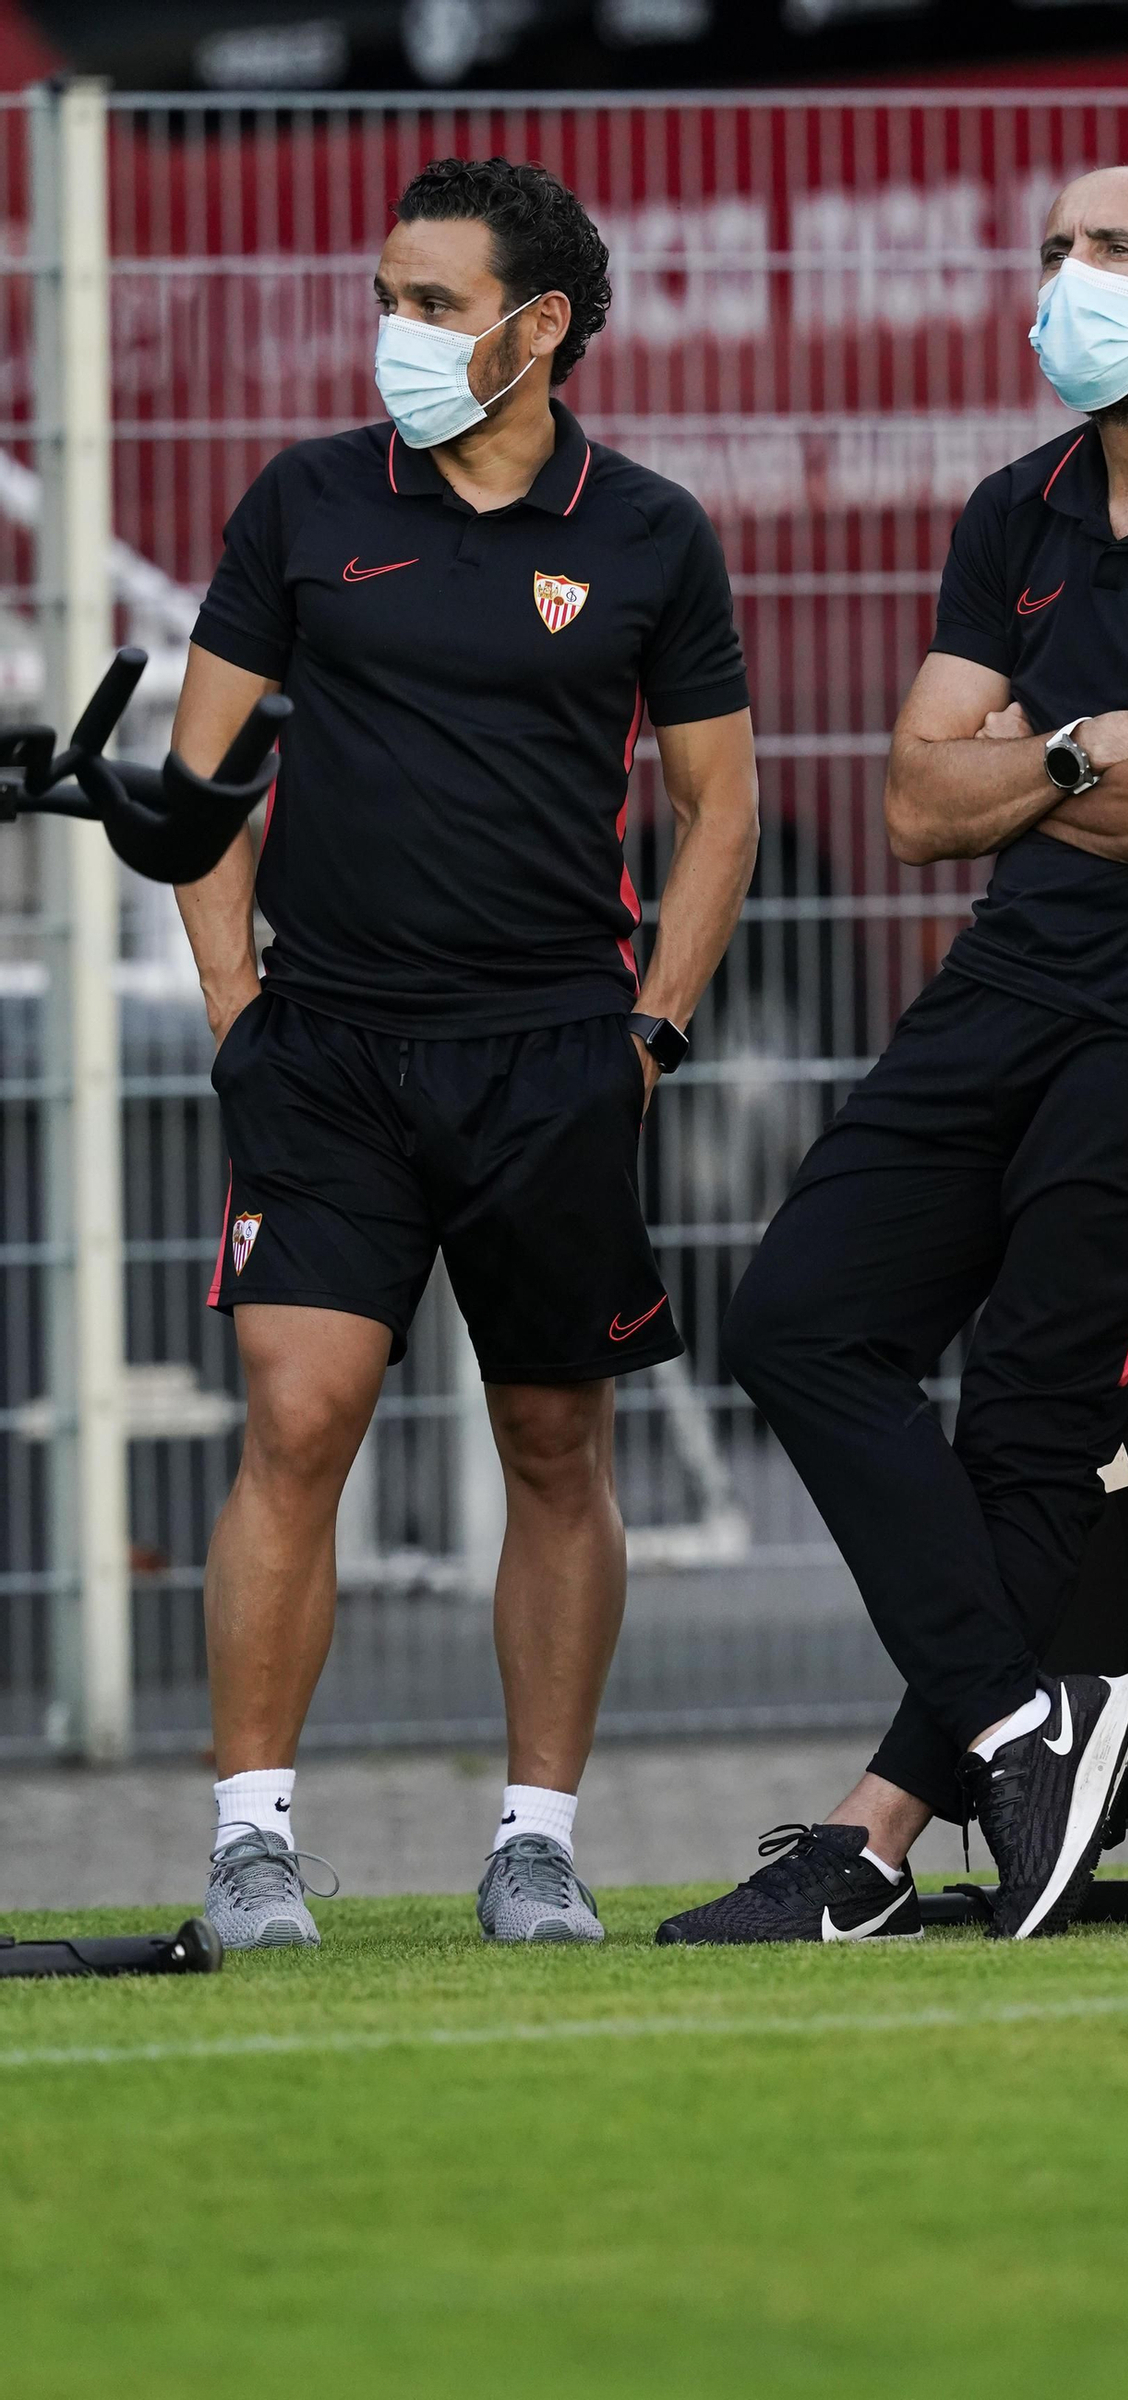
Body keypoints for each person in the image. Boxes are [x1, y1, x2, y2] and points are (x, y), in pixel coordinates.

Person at [658, 165, 1128, 1947]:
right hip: (1008, 981)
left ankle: (873, 1840)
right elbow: (919, 800)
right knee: (797, 1323)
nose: (1067, 275)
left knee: (1036, 1409)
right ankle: (1022, 1722)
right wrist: (1081, 748)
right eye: (1054, 248)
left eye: (1113, 250)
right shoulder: (1018, 511)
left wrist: (1053, 767)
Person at [175, 157, 758, 1950]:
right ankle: (253, 1842)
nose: (396, 334)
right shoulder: (303, 503)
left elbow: (720, 808)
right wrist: (238, 1017)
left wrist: (650, 1034)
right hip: (328, 1057)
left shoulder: (650, 529)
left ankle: (536, 1843)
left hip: (553, 1063)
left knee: (555, 1443)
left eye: (432, 303)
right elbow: (199, 790)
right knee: (298, 1418)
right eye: (388, 296)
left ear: (542, 326)